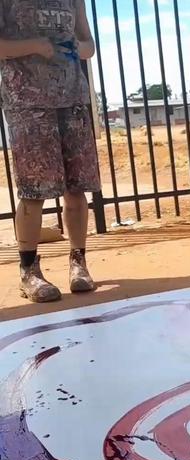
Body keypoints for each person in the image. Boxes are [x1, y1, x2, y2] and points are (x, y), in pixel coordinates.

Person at [0, 0, 100, 302]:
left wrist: (79, 47)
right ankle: (28, 271)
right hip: (27, 102)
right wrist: (34, 45)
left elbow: (89, 45)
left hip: (73, 98)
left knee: (77, 186)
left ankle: (78, 263)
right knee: (34, 190)